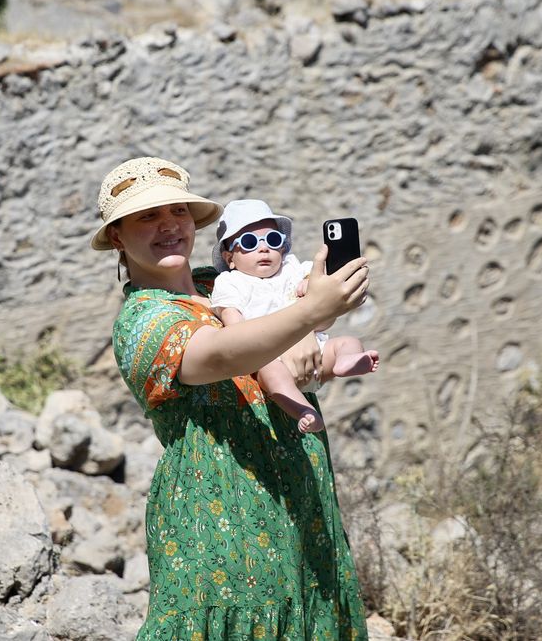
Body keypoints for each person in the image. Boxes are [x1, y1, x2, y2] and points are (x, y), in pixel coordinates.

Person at [92, 156, 370, 641]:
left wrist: (317, 326)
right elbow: (222, 354)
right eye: (147, 216)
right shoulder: (141, 320)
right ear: (117, 235)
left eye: (178, 211)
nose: (168, 226)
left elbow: (289, 342)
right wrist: (306, 315)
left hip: (300, 508)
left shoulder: (225, 284)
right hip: (218, 528)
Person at [209, 199, 379, 433]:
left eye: (272, 240)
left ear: (283, 247)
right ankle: (303, 410)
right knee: (270, 372)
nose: (263, 248)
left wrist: (310, 283)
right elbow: (235, 329)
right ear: (230, 258)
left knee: (347, 342)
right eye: (249, 243)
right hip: (272, 358)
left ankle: (345, 361)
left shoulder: (292, 267)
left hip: (317, 355)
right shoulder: (231, 282)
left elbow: (322, 283)